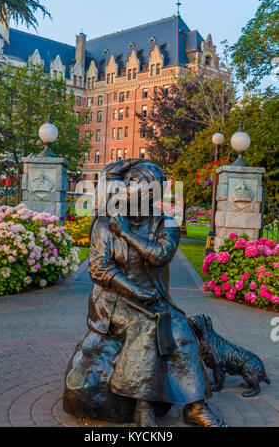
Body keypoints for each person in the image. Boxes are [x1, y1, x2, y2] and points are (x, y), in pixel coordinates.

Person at [64, 159, 228, 427]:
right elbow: (100, 270)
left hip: (153, 299)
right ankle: (144, 410)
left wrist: (127, 234)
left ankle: (196, 406)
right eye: (130, 185)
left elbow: (159, 257)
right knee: (148, 327)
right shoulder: (106, 221)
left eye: (140, 186)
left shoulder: (167, 224)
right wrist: (135, 291)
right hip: (114, 300)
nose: (129, 190)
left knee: (180, 330)